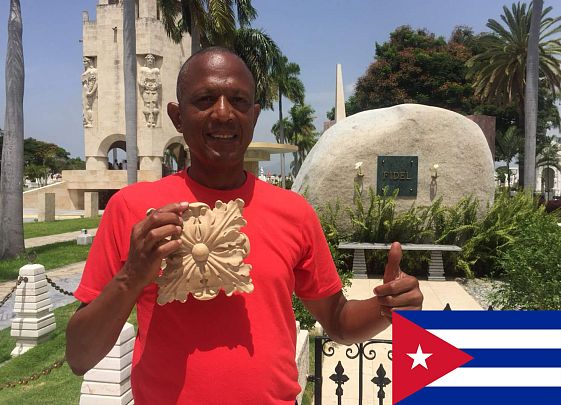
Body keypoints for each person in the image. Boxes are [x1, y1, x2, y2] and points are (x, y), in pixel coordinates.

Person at [66, 47, 422, 404]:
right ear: (177, 116)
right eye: (205, 99)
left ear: (253, 115)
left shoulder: (294, 212)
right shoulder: (133, 210)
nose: (223, 113)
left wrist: (386, 307)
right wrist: (131, 276)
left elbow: (339, 321)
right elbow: (81, 356)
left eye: (238, 101)